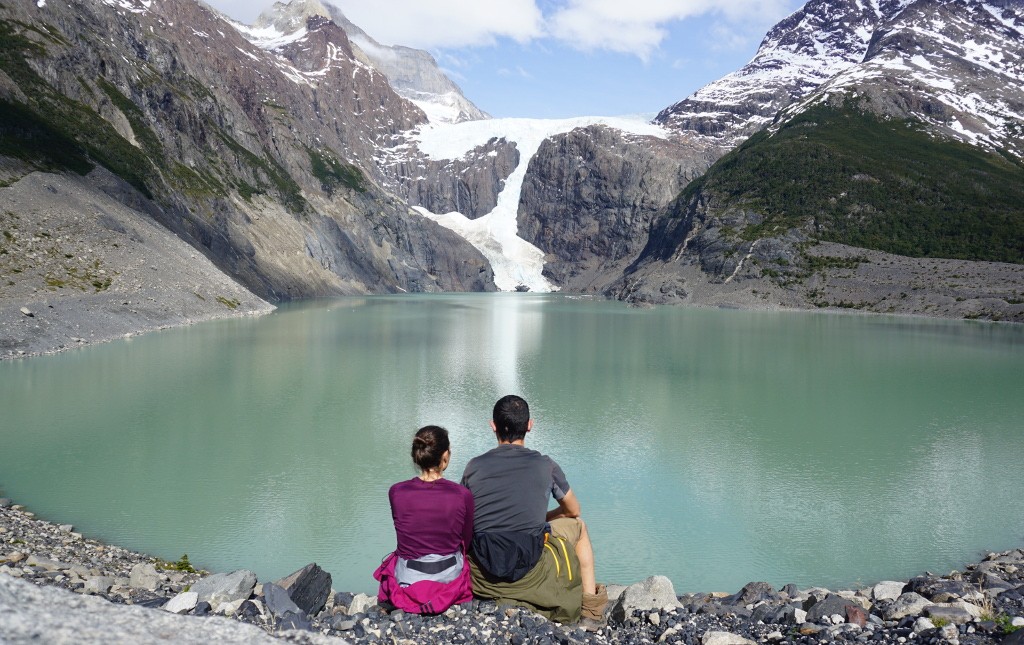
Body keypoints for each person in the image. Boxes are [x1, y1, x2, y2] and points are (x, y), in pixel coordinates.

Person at [460, 395, 607, 626]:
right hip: (531, 570)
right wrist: (544, 518)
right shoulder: (545, 465)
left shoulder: (473, 467)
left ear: (493, 426)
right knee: (579, 526)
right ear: (530, 425)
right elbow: (573, 510)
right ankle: (591, 613)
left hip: (483, 576)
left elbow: (464, 521)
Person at [374, 425, 474, 614]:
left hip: (408, 578)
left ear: (416, 456)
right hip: (449, 577)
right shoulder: (462, 494)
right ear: (445, 456)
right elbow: (466, 541)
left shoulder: (396, 492)